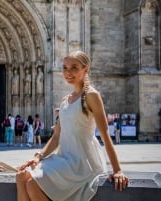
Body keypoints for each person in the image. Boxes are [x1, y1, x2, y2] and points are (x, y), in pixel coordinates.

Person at [16, 51, 129, 201]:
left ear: (85, 69)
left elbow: (105, 134)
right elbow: (56, 137)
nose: (68, 72)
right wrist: (38, 157)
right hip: (63, 158)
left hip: (81, 163)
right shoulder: (65, 101)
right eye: (65, 68)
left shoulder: (91, 96)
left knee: (32, 184)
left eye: (74, 67)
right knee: (21, 176)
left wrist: (117, 170)